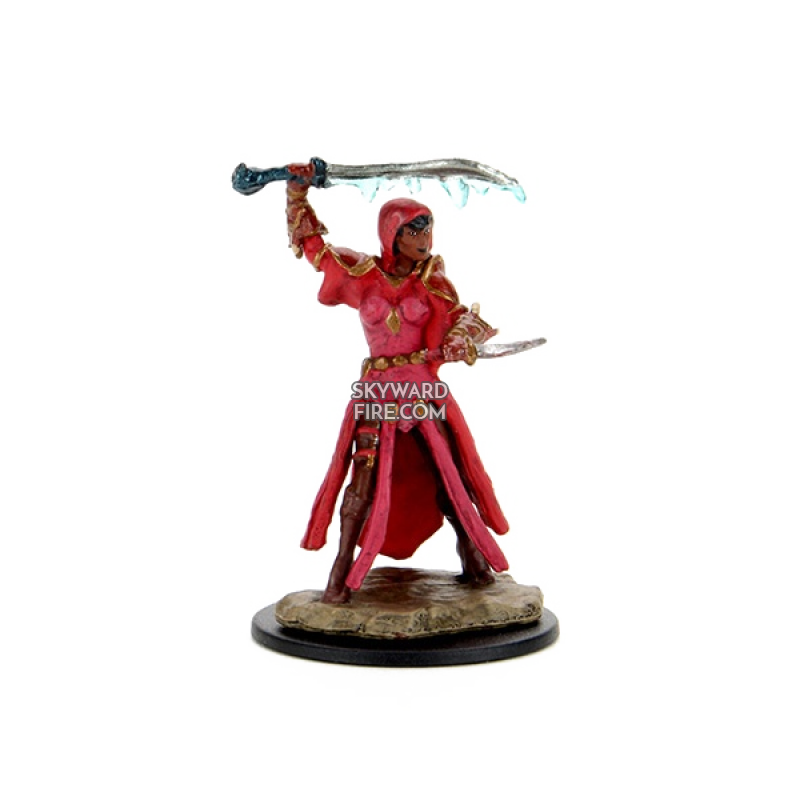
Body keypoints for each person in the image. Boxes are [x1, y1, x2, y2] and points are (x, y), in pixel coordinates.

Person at [285, 162, 511, 604]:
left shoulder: (434, 283)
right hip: (378, 393)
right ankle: (338, 582)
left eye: (427, 229)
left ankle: (476, 565)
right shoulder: (362, 275)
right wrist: (297, 194)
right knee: (361, 485)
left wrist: (461, 339)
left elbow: (461, 324)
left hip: (423, 393)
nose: (425, 239)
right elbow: (314, 247)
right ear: (392, 234)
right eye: (413, 230)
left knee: (449, 479)